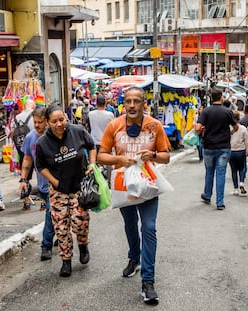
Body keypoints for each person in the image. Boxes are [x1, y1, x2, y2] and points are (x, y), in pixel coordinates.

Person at [97, 86, 170, 305]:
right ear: (123, 104)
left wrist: (153, 154)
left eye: (136, 101)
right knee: (130, 225)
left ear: (143, 104)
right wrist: (119, 160)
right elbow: (101, 156)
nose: (131, 105)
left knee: (148, 227)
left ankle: (148, 281)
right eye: (128, 101)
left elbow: (166, 156)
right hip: (123, 186)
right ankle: (133, 258)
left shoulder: (154, 126)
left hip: (147, 184)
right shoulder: (114, 125)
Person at [35, 105, 96, 277]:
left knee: (80, 222)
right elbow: (40, 166)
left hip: (79, 187)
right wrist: (55, 182)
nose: (59, 124)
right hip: (58, 191)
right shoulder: (42, 143)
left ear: (66, 118)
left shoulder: (77, 131)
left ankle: (83, 245)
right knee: (61, 227)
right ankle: (66, 260)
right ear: (47, 123)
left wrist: (91, 164)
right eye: (54, 121)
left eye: (61, 119)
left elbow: (91, 146)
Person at [19, 107, 55, 261]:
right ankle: (54, 239)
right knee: (52, 213)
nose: (37, 125)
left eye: (40, 122)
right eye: (35, 122)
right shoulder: (30, 137)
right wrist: (23, 179)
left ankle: (46, 245)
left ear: (47, 122)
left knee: (51, 213)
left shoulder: (54, 135)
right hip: (43, 186)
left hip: (58, 184)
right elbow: (27, 158)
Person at [195, 88, 238, 210]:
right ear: (221, 97)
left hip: (208, 146)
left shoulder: (206, 111)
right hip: (223, 146)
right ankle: (220, 202)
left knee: (209, 172)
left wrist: (203, 131)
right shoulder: (227, 112)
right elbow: (236, 127)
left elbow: (197, 128)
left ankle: (207, 195)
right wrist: (229, 132)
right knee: (221, 174)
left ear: (211, 98)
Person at [11, 99, 35, 210]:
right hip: (37, 148)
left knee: (25, 175)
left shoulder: (16, 118)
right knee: (41, 173)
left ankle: (26, 200)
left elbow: (12, 134)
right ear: (33, 106)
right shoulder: (35, 116)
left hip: (23, 149)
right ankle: (44, 201)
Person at [229, 110, 248, 196]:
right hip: (241, 150)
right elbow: (247, 140)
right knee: (242, 167)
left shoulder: (229, 128)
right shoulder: (243, 128)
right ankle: (241, 181)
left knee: (233, 170)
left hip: (231, 151)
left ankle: (235, 188)